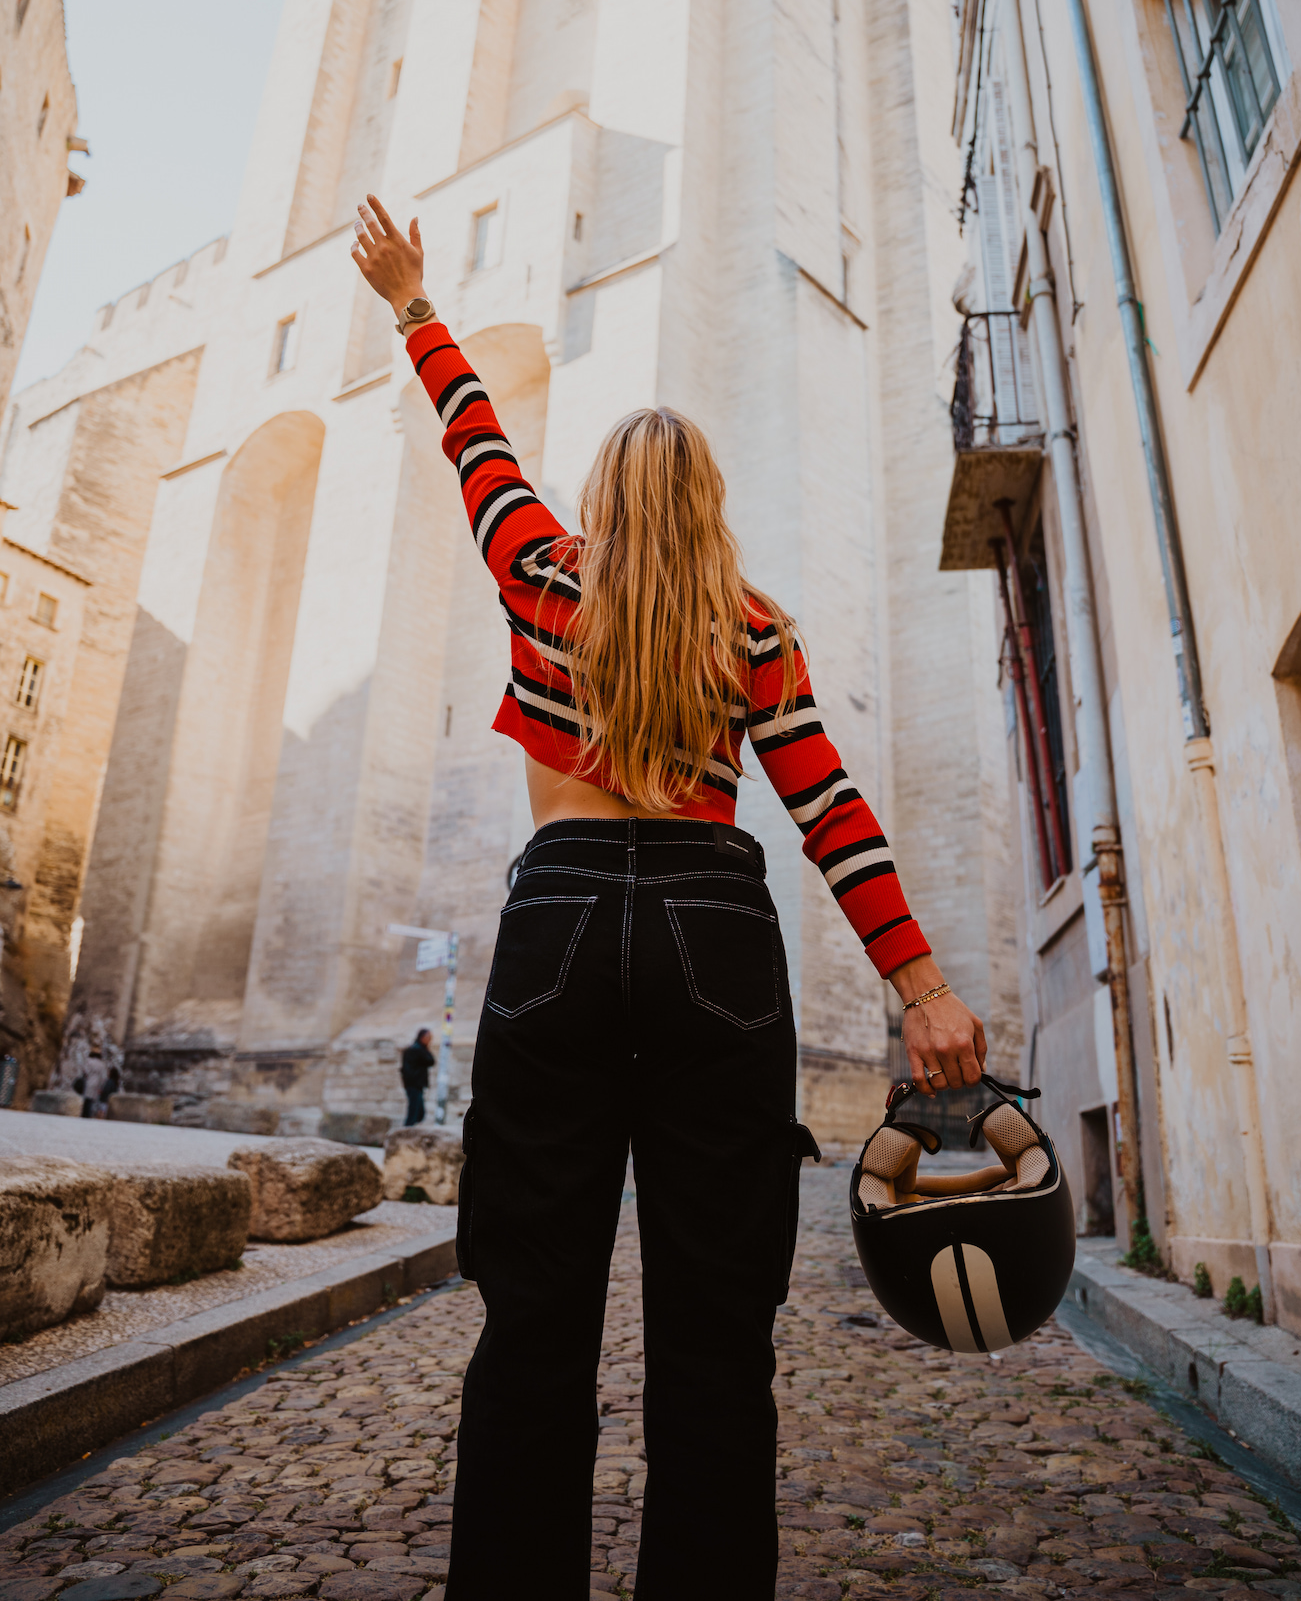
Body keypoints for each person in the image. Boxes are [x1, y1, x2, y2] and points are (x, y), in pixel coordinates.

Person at [352, 196, 988, 1601]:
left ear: (597, 501)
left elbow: (474, 435)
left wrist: (411, 302)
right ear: (705, 507)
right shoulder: (754, 627)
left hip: (560, 926)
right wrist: (922, 987)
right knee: (716, 1336)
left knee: (532, 1321)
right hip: (716, 932)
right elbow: (831, 814)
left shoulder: (537, 569)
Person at [401, 1027, 435, 1126]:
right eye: (428, 1037)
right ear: (422, 1037)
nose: (430, 1040)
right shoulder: (417, 1050)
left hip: (415, 1084)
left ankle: (410, 1132)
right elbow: (430, 1060)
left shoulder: (416, 1049)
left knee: (419, 1112)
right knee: (414, 1112)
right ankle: (406, 1133)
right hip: (414, 1084)